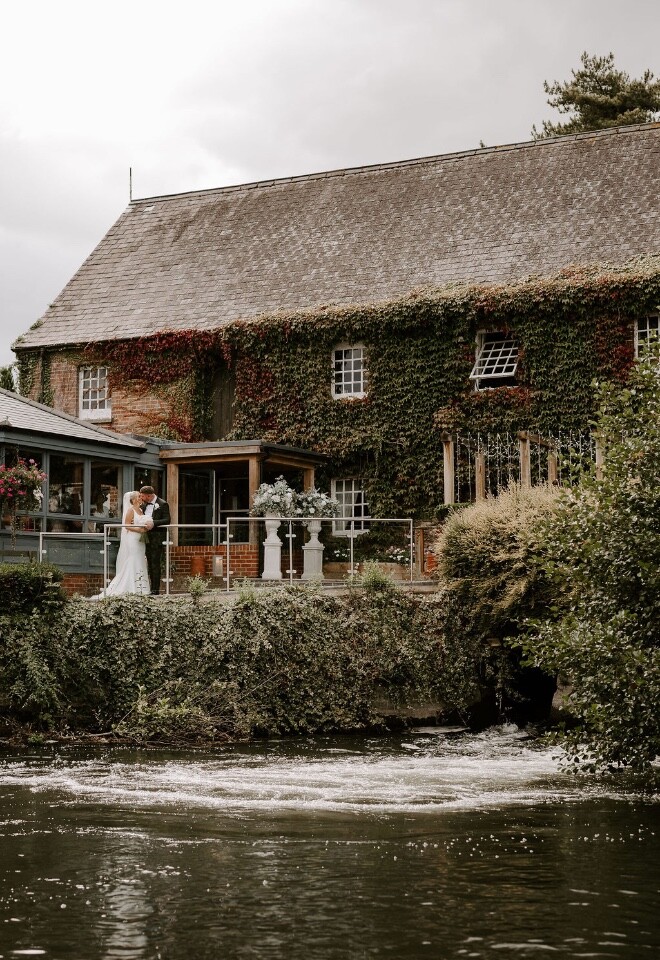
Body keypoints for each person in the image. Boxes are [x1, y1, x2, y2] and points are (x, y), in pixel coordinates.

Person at [92, 491, 150, 598]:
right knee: (133, 559)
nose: (141, 497)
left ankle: (141, 587)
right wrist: (139, 529)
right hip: (133, 538)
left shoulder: (141, 510)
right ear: (133, 500)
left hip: (140, 540)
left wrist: (146, 527)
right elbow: (127, 526)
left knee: (141, 559)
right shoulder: (130, 510)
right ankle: (130, 586)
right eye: (138, 496)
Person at [140, 485, 171, 595]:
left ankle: (155, 589)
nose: (141, 498)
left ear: (149, 495)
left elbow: (167, 520)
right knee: (148, 563)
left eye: (143, 496)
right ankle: (147, 587)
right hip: (145, 537)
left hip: (157, 538)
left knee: (155, 563)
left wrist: (154, 523)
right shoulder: (143, 505)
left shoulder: (162, 504)